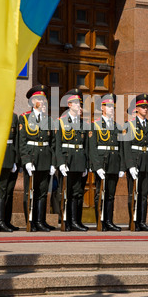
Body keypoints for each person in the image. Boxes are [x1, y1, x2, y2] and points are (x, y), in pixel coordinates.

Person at [19, 85, 56, 232]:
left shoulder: (48, 120)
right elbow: (22, 142)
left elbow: (52, 143)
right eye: (39, 99)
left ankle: (40, 221)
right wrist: (26, 160)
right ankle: (30, 221)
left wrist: (53, 162)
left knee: (42, 191)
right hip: (32, 157)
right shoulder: (25, 118)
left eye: (44, 99)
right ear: (33, 101)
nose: (43, 101)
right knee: (30, 191)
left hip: (45, 157)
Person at [89, 93, 125, 231]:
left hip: (114, 163)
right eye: (109, 106)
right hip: (102, 163)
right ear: (102, 108)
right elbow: (93, 148)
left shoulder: (116, 126)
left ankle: (109, 220)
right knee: (100, 193)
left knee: (110, 193)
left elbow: (120, 148)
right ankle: (100, 220)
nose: (112, 109)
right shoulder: (95, 125)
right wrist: (97, 166)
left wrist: (122, 166)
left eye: (113, 106)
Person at [55, 88, 88, 231]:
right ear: (69, 105)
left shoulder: (83, 124)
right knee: (65, 192)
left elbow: (86, 145)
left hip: (79, 161)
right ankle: (65, 220)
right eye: (76, 104)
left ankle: (76, 221)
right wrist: (60, 163)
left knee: (78, 192)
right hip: (67, 161)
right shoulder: (60, 122)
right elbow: (57, 145)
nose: (79, 106)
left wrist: (86, 164)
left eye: (80, 104)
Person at [123, 94, 148, 231]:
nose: (145, 109)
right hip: (135, 161)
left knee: (144, 194)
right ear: (136, 108)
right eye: (143, 107)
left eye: (146, 107)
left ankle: (142, 221)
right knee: (133, 193)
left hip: (147, 162)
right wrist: (130, 165)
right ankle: (133, 221)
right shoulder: (129, 124)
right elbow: (126, 147)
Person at [0, 112, 19, 232]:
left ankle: (1, 221)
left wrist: (15, 160)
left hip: (8, 155)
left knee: (2, 190)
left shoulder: (13, 116)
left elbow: (16, 139)